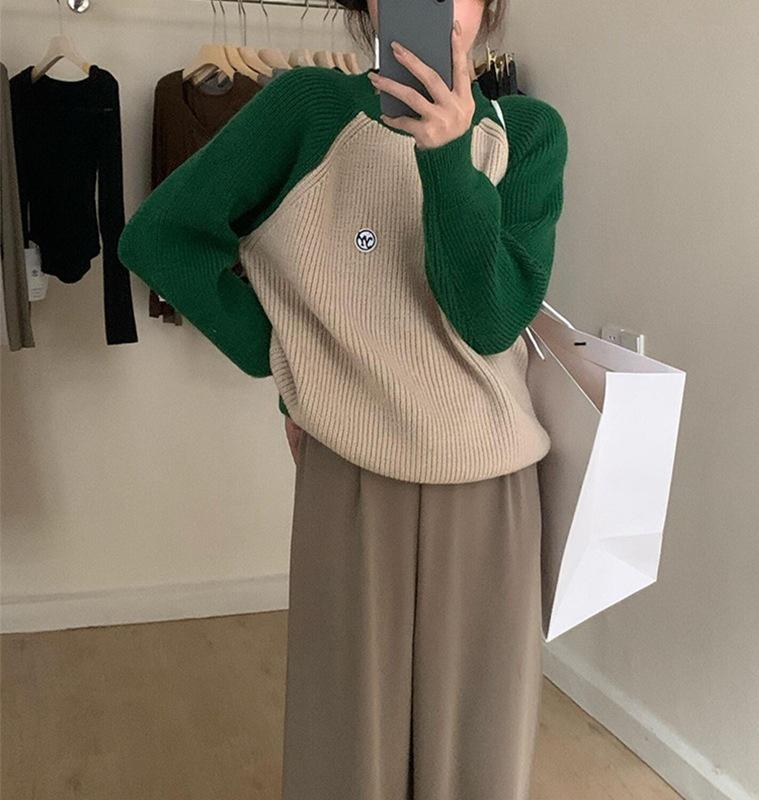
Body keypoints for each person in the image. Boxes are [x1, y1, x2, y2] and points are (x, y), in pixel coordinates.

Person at [117, 0, 568, 796]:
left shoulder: (527, 133)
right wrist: (288, 364)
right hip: (351, 476)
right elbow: (161, 237)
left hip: (490, 487)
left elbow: (491, 319)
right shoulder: (307, 109)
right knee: (347, 752)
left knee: (478, 756)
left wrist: (448, 156)